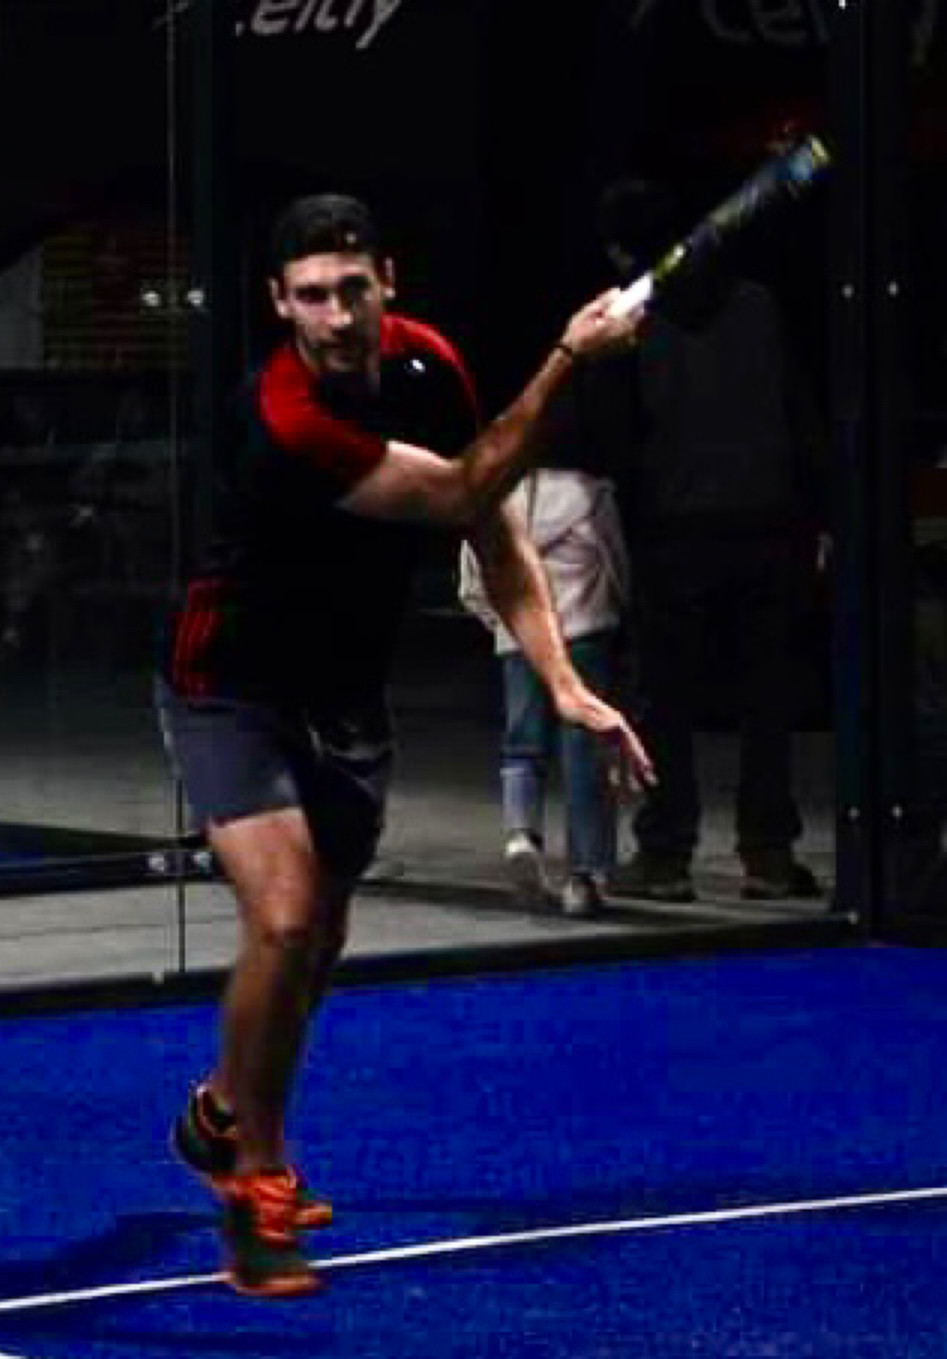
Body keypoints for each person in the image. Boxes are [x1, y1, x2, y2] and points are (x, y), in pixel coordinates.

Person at [155, 193, 649, 1297]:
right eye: (312, 297)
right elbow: (466, 483)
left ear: (388, 281)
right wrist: (570, 357)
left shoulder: (429, 366)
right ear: (280, 304)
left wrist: (563, 682)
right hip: (228, 687)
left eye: (352, 289)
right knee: (284, 918)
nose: (336, 317)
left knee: (318, 945)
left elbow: (494, 522)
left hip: (345, 695)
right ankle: (256, 1182)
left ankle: (223, 1106)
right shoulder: (284, 418)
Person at [597, 178, 827, 905]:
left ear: (624, 250)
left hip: (674, 529)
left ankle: (665, 855)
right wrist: (817, 513)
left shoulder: (632, 321)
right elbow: (800, 416)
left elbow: (619, 437)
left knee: (666, 698)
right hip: (766, 521)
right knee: (767, 696)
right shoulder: (757, 305)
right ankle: (769, 854)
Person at [458, 457, 630, 917]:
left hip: (518, 634)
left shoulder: (492, 496)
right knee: (585, 751)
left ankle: (521, 835)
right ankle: (584, 875)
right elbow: (614, 562)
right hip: (584, 630)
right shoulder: (590, 494)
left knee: (521, 744)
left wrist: (500, 620)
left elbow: (473, 574)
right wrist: (614, 608)